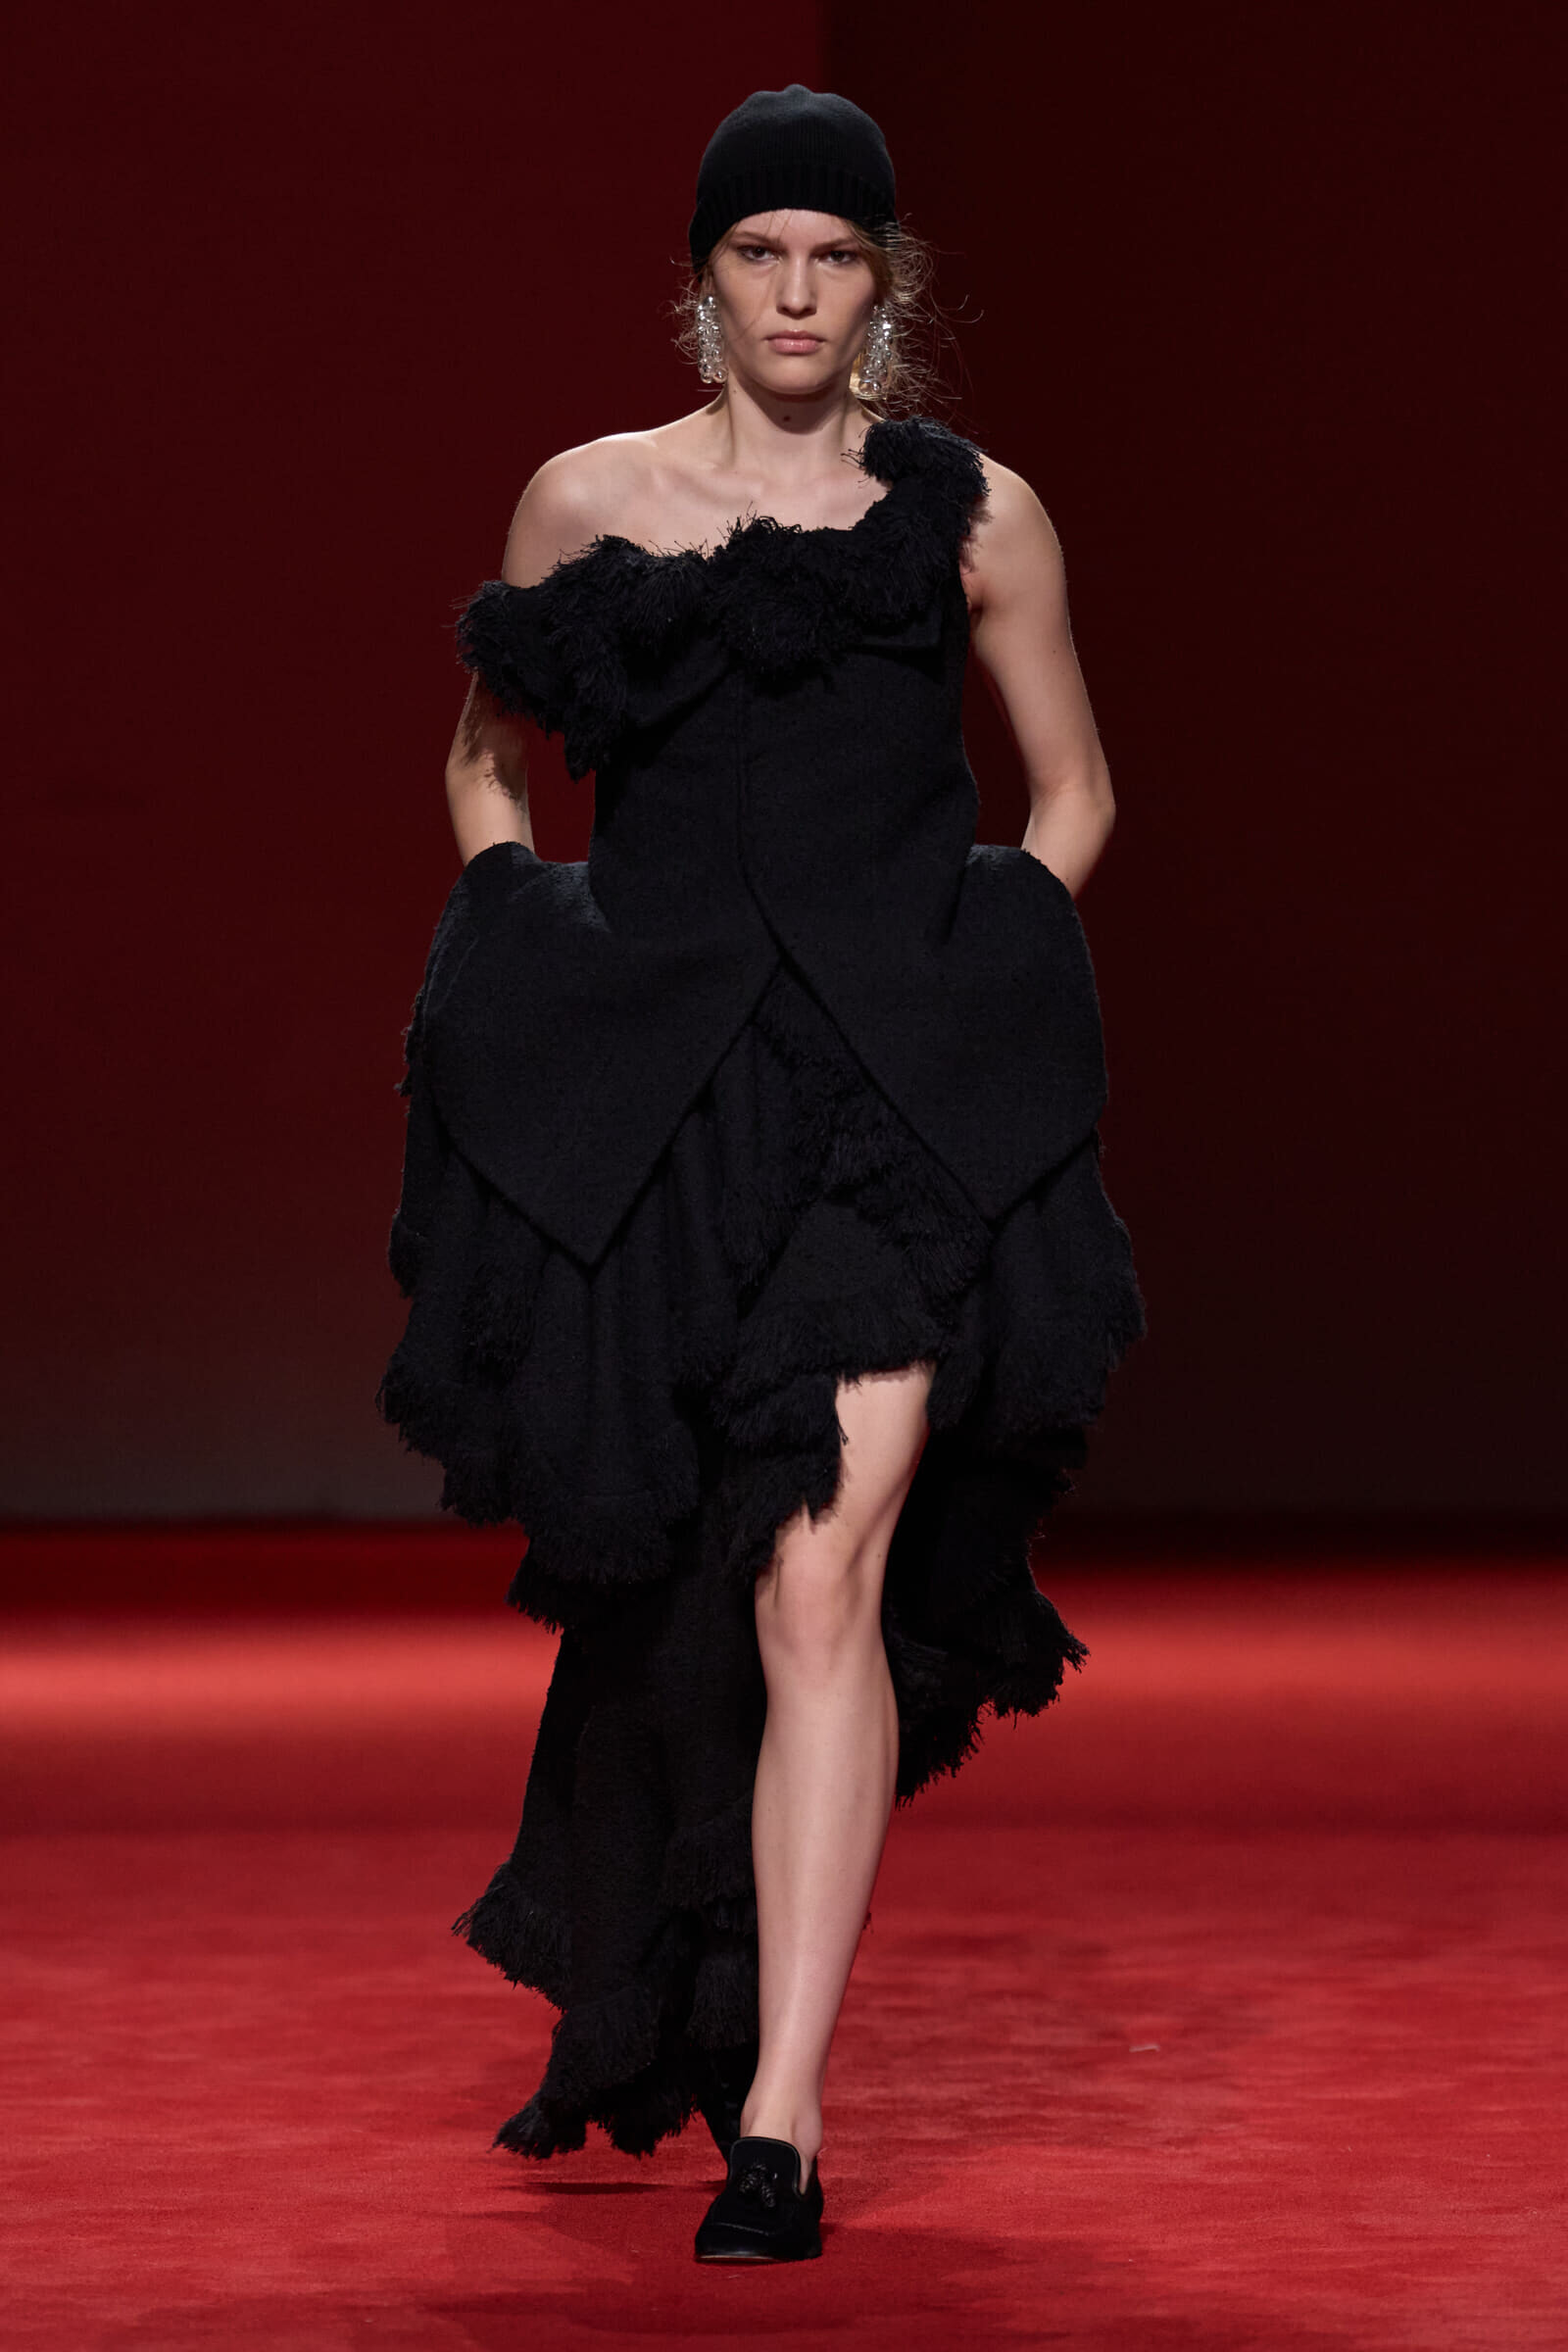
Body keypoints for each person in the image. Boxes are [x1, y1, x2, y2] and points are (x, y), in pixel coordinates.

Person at [377, 82, 1145, 2265]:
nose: (797, 294)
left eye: (836, 257)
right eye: (758, 254)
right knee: (678, 1586)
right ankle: (684, 1982)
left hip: (889, 1121)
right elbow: (484, 759)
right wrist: (522, 941)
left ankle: (783, 2121)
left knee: (821, 1580)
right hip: (666, 1115)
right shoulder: (590, 499)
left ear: (884, 285)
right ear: (702, 276)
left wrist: (980, 984)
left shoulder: (973, 513)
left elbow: (1074, 788)